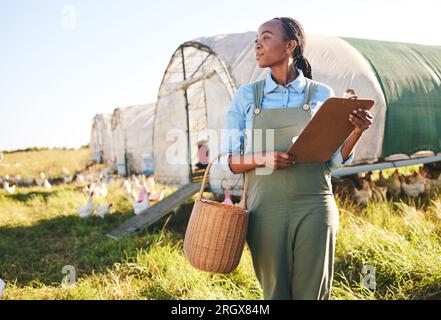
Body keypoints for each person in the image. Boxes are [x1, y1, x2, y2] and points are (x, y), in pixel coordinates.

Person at [218, 17, 373, 300]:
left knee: (313, 293)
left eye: (266, 37)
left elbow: (333, 161)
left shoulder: (321, 94)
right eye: (257, 39)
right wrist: (262, 158)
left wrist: (356, 131)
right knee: (275, 293)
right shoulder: (246, 98)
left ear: (290, 46)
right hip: (265, 209)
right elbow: (227, 159)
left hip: (314, 203)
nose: (258, 44)